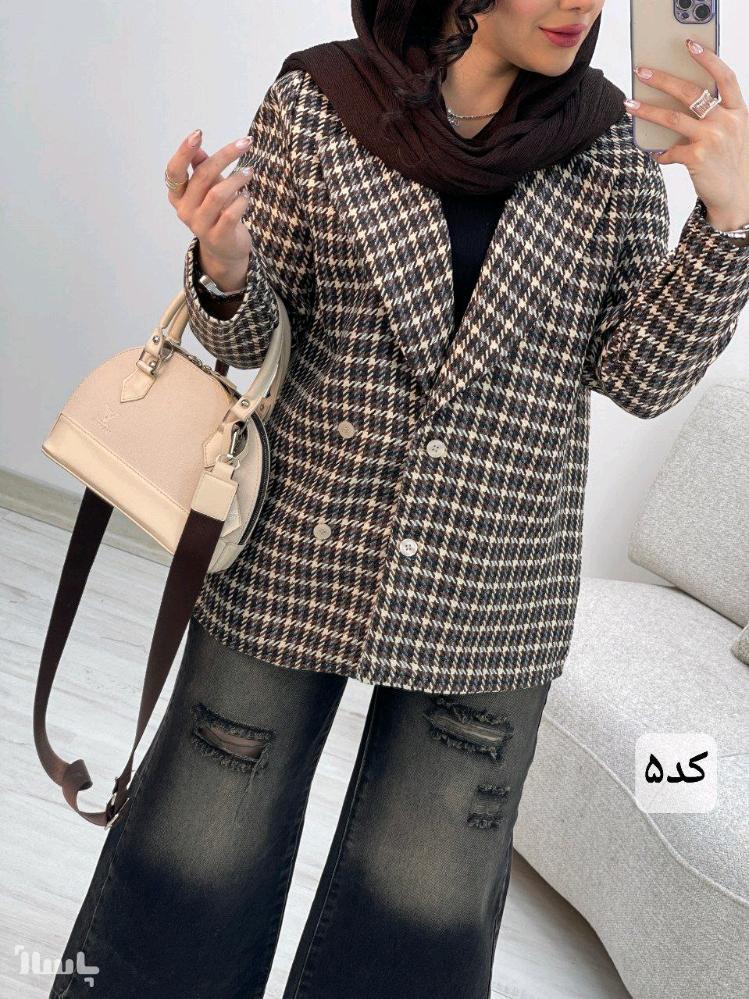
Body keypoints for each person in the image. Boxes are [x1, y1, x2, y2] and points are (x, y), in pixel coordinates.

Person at [50, 1, 749, 997]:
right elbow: (254, 342)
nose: (580, 4)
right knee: (192, 862)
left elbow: (638, 376)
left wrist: (725, 225)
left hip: (494, 589)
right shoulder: (321, 98)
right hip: (296, 547)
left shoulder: (604, 144)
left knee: (416, 922)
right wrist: (224, 270)